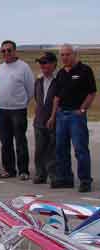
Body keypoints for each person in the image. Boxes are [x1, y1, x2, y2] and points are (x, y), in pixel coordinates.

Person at [49, 44, 97, 192]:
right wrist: (53, 116)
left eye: (67, 54)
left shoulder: (84, 70)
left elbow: (92, 92)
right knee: (61, 149)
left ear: (74, 54)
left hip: (76, 116)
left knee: (80, 149)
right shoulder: (61, 73)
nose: (65, 58)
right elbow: (56, 97)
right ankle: (65, 178)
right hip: (62, 115)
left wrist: (82, 109)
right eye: (62, 55)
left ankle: (85, 180)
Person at [0, 40, 34, 181]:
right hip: (1, 110)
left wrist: (22, 102)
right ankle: (9, 169)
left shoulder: (24, 68)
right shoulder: (0, 68)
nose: (6, 53)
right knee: (5, 142)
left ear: (15, 51)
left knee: (20, 141)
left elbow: (30, 90)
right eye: (3, 51)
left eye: (9, 50)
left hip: (17, 110)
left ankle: (23, 170)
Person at [33, 52, 58, 184]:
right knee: (39, 149)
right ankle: (40, 174)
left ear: (54, 64)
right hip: (39, 120)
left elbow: (59, 100)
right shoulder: (39, 80)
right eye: (41, 63)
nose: (42, 65)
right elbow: (37, 98)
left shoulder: (58, 80)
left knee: (52, 150)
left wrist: (53, 116)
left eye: (45, 63)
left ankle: (53, 175)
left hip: (53, 120)